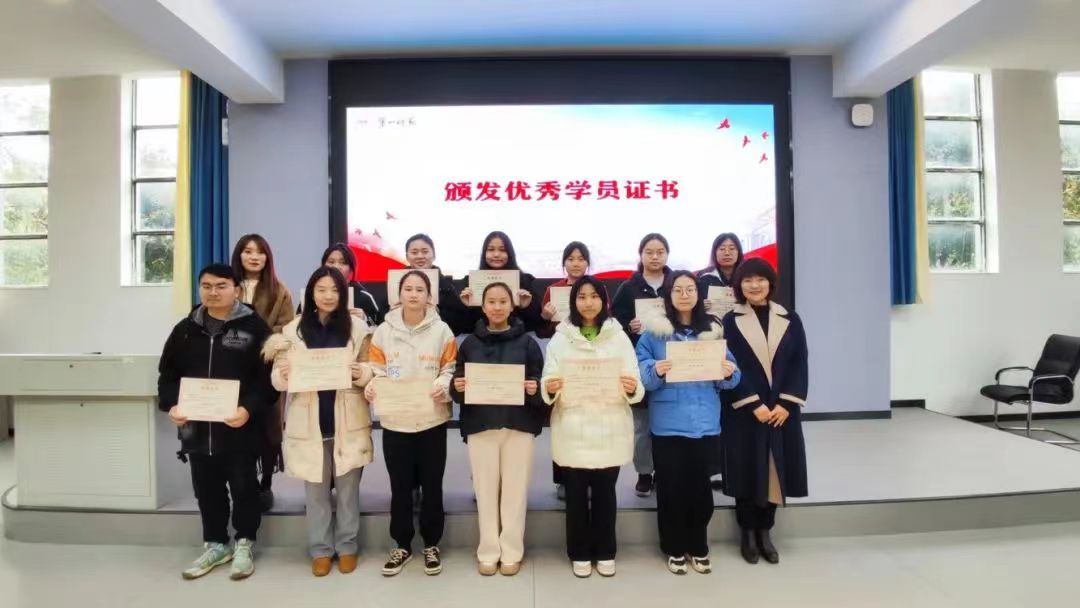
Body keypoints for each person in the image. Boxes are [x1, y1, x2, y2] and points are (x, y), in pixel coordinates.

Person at [157, 263, 273, 581]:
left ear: (237, 289)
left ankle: (245, 542)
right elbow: (167, 376)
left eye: (221, 286)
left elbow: (268, 381)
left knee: (244, 487)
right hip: (196, 429)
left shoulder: (254, 328)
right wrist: (172, 405)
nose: (213, 292)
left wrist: (248, 409)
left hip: (240, 427)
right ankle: (216, 544)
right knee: (206, 489)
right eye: (206, 286)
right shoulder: (184, 330)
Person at [263, 267, 375, 577]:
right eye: (321, 289)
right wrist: (283, 375)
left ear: (344, 294)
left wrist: (362, 373)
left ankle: (347, 546)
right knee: (316, 493)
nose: (328, 296)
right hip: (309, 420)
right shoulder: (292, 331)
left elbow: (372, 369)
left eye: (335, 290)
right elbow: (276, 379)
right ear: (311, 293)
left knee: (348, 491)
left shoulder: (358, 328)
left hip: (347, 419)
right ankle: (321, 549)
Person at [635, 270, 745, 575]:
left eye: (690, 289)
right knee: (670, 489)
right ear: (668, 295)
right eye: (678, 290)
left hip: (704, 421)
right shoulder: (653, 334)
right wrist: (656, 370)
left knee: (700, 490)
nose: (685, 295)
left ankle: (698, 544)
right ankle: (673, 547)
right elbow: (642, 377)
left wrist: (727, 372)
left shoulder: (712, 331)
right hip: (668, 423)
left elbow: (733, 376)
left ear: (699, 294)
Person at [541, 275, 644, 578]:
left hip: (610, 424)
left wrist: (631, 387)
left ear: (604, 300)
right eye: (582, 296)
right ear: (573, 301)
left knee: (605, 493)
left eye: (594, 296)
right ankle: (579, 551)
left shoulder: (619, 337)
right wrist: (551, 386)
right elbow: (549, 376)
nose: (588, 302)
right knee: (575, 495)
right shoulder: (561, 338)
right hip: (573, 424)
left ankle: (606, 550)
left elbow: (634, 376)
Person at [449, 282, 545, 576]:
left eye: (503, 301)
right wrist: (458, 386)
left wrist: (534, 387)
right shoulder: (470, 344)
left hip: (519, 425)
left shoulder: (528, 344)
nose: (497, 307)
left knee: (515, 491)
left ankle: (512, 550)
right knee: (485, 490)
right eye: (491, 301)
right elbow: (458, 384)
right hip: (481, 425)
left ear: (512, 305)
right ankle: (488, 550)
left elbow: (541, 383)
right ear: (483, 306)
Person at [365, 271, 457, 577]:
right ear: (399, 294)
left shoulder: (442, 330)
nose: (414, 294)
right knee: (400, 486)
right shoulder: (383, 331)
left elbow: (450, 368)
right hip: (396, 422)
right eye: (408, 289)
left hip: (432, 419)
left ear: (429, 296)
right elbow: (377, 369)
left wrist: (443, 385)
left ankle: (431, 544)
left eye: (420, 289)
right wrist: (374, 386)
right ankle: (402, 544)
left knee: (432, 485)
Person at [720, 258, 809, 565]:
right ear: (739, 286)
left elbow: (800, 362)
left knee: (775, 469)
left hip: (781, 411)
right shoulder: (730, 321)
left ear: (771, 283)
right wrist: (753, 403)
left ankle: (765, 532)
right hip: (746, 410)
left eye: (760, 279)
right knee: (746, 469)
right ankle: (747, 532)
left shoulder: (790, 318)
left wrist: (786, 404)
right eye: (747, 280)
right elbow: (728, 365)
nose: (754, 285)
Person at [231, 234, 294, 512]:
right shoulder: (228, 286)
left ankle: (266, 483)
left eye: (260, 252)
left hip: (268, 368)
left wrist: (262, 342)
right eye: (248, 251)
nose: (254, 257)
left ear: (268, 257)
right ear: (239, 255)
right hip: (233, 368)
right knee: (237, 425)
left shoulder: (279, 290)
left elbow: (286, 327)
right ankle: (242, 483)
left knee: (269, 428)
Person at [611, 233, 672, 497]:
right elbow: (614, 323)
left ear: (667, 255)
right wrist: (629, 326)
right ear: (641, 255)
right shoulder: (628, 287)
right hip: (640, 361)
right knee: (642, 425)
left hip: (672, 360)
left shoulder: (676, 284)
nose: (655, 257)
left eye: (660, 252)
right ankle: (644, 473)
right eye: (649, 252)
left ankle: (665, 471)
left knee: (668, 420)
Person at [536, 241, 597, 500]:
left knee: (590, 420)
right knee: (562, 419)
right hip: (562, 360)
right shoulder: (553, 291)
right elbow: (542, 331)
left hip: (591, 359)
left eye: (580, 258)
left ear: (587, 263)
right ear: (564, 263)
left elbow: (606, 322)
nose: (575, 263)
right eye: (571, 258)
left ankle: (591, 477)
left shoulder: (597, 289)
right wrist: (545, 317)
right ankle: (562, 479)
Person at [695, 233, 744, 491]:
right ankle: (714, 468)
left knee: (737, 411)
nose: (726, 252)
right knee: (716, 410)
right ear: (714, 252)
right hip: (711, 344)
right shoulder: (703, 279)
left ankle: (734, 466)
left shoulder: (746, 278)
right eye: (722, 248)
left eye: (732, 248)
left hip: (740, 343)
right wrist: (701, 306)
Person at [458, 231, 542, 333]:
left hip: (516, 338)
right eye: (491, 249)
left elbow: (535, 324)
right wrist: (468, 307)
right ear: (484, 253)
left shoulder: (525, 281)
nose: (496, 254)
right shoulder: (470, 282)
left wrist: (525, 307)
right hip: (483, 339)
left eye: (502, 250)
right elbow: (464, 328)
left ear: (510, 254)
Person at [404, 233, 471, 335]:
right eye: (414, 252)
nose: (420, 256)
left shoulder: (446, 286)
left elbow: (459, 324)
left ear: (434, 255)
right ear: (407, 257)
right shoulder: (396, 283)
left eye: (425, 251)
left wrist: (437, 313)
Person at [320, 243, 384, 326]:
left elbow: (380, 327)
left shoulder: (363, 297)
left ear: (351, 268)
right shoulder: (313, 293)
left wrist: (365, 319)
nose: (336, 266)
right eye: (331, 262)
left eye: (343, 262)